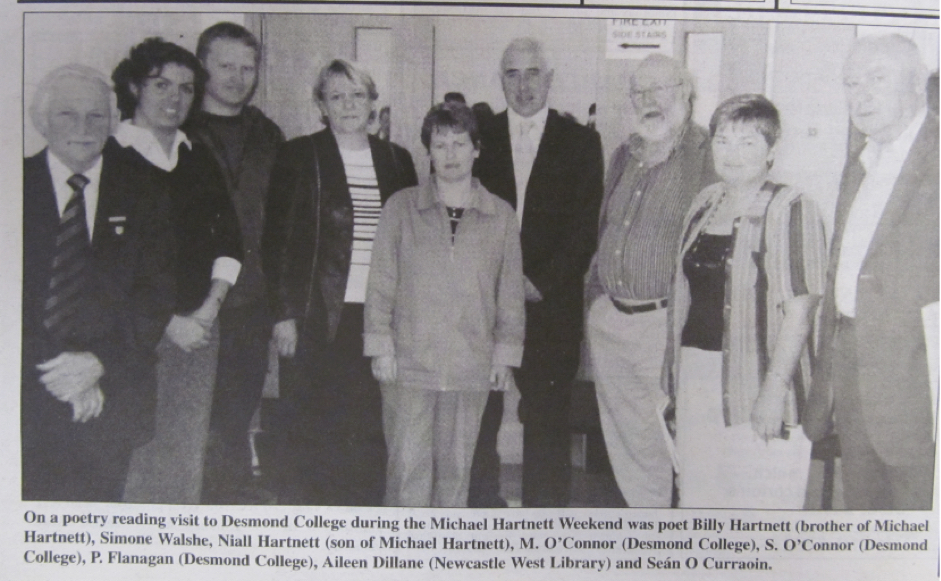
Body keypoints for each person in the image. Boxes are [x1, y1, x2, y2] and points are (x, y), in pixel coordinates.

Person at [263, 59, 417, 506]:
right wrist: (284, 316)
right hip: (317, 317)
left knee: (370, 426)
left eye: (358, 95)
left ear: (373, 103)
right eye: (337, 96)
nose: (348, 105)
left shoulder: (396, 159)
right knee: (314, 426)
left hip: (379, 318)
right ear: (321, 105)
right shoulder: (299, 155)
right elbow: (278, 242)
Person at [664, 94, 826, 508]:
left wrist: (773, 390)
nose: (732, 153)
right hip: (697, 377)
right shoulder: (704, 203)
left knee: (759, 509)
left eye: (748, 142)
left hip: (759, 381)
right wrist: (672, 382)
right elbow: (684, 297)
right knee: (699, 501)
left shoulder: (792, 207)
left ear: (772, 151)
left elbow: (801, 309)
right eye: (722, 140)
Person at [22, 64, 175, 501]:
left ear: (111, 123)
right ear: (42, 119)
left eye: (96, 117)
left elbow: (156, 294)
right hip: (25, 393)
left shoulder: (145, 189)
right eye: (68, 115)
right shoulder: (11, 186)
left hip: (113, 392)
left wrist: (96, 364)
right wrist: (61, 373)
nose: (84, 128)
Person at [364, 102, 525, 507]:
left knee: (456, 475)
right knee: (406, 472)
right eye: (440, 145)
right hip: (409, 363)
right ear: (428, 151)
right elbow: (381, 282)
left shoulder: (501, 215)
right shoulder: (400, 209)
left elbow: (509, 293)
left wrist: (504, 356)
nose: (450, 155)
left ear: (476, 149)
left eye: (459, 143)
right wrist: (380, 346)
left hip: (471, 364)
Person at [804, 34, 938, 510]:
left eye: (876, 79)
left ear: (917, 83)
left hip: (922, 389)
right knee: (866, 526)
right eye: (850, 82)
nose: (859, 95)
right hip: (854, 376)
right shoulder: (858, 165)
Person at [111, 38, 244, 504]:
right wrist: (170, 323)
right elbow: (107, 264)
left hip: (201, 331)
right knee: (136, 457)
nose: (174, 98)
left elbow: (228, 241)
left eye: (186, 89)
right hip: (134, 335)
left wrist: (208, 309)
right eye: (161, 84)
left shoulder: (197, 157)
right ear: (134, 87)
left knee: (184, 457)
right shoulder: (112, 159)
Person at [473, 37, 604, 508]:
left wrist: (538, 282)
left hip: (550, 306)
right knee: (479, 418)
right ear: (500, 79)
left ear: (550, 79)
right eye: (513, 74)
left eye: (533, 73)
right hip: (483, 303)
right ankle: (479, 520)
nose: (524, 85)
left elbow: (584, 229)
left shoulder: (582, 142)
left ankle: (540, 530)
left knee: (546, 423)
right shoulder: (477, 135)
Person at [585, 54, 717, 508]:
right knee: (628, 437)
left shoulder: (705, 153)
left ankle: (675, 535)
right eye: (639, 92)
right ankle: (648, 526)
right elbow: (606, 224)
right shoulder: (624, 152)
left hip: (663, 323)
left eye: (660, 89)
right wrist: (596, 299)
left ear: (685, 93)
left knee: (672, 435)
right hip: (611, 319)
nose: (649, 101)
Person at [185, 22, 285, 505]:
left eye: (248, 67)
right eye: (226, 66)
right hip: (190, 300)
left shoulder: (269, 135)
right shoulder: (178, 129)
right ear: (202, 65)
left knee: (237, 406)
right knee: (188, 412)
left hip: (251, 301)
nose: (238, 77)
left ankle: (229, 498)